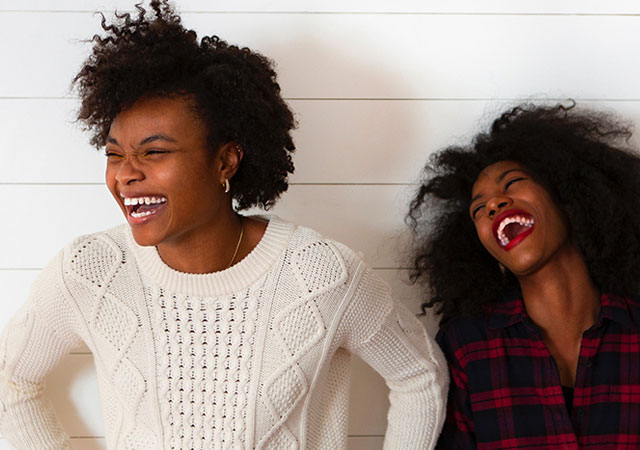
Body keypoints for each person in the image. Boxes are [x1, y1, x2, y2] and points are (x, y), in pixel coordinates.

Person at [0, 1, 448, 449]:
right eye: (114, 153)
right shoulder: (91, 270)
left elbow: (419, 374)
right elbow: (10, 381)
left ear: (225, 160)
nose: (125, 174)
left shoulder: (321, 274)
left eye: (154, 152)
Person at [407, 103, 640, 448]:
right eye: (478, 208)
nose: (494, 204)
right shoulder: (466, 346)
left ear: (568, 196)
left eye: (512, 183)